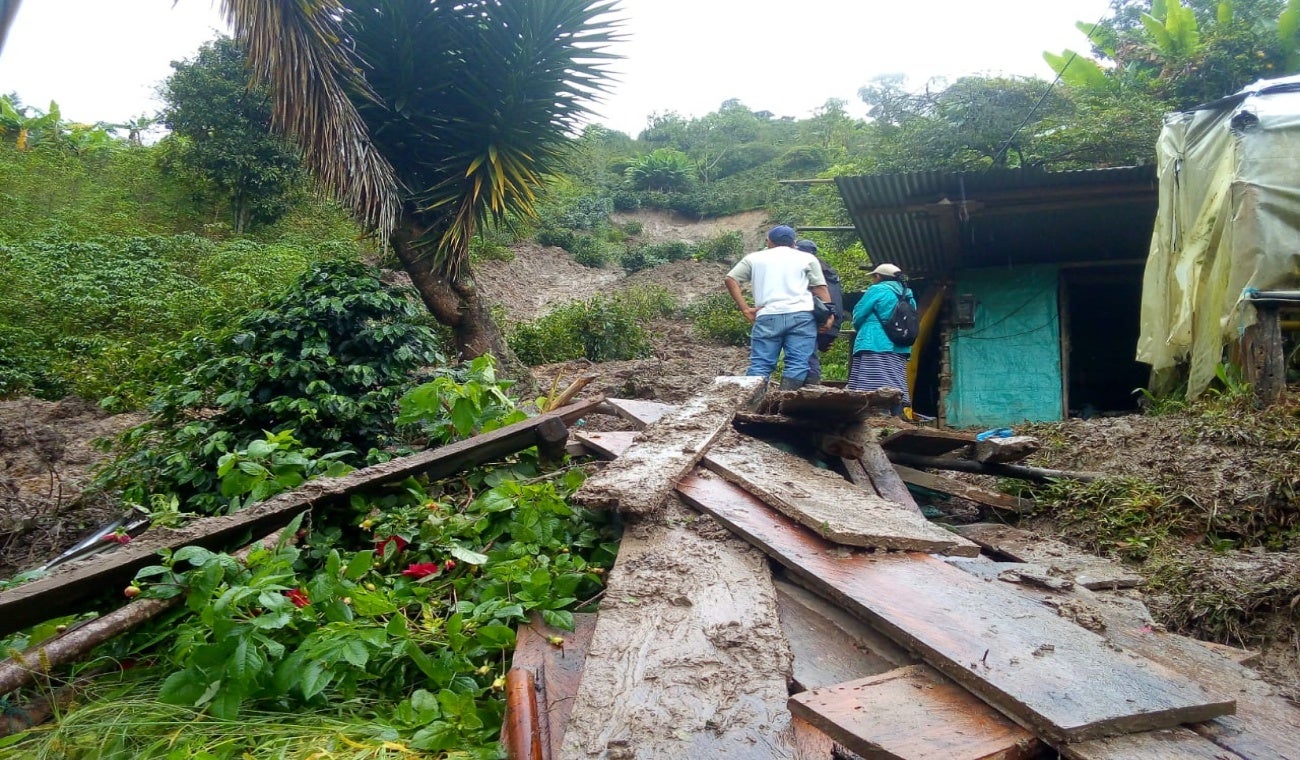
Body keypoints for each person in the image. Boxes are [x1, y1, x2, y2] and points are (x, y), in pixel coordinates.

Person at [724, 225, 834, 389]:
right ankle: (784, 405)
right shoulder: (807, 258)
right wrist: (828, 315)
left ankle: (751, 405)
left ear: (769, 241)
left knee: (760, 364)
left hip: (767, 315)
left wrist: (745, 309)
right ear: (793, 242)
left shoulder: (754, 258)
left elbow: (730, 279)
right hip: (801, 316)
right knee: (797, 363)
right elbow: (820, 288)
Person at [848, 263, 916, 414]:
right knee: (895, 381)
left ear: (878, 276)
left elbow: (859, 313)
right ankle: (895, 415)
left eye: (873, 276)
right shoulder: (908, 295)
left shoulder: (877, 289)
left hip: (874, 342)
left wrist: (861, 327)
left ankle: (877, 417)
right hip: (900, 346)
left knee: (872, 383)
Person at [794, 239, 844, 385]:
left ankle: (807, 391)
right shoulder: (829, 271)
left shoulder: (807, 268)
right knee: (807, 356)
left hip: (818, 320)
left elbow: (817, 295)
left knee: (805, 357)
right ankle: (808, 389)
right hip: (831, 321)